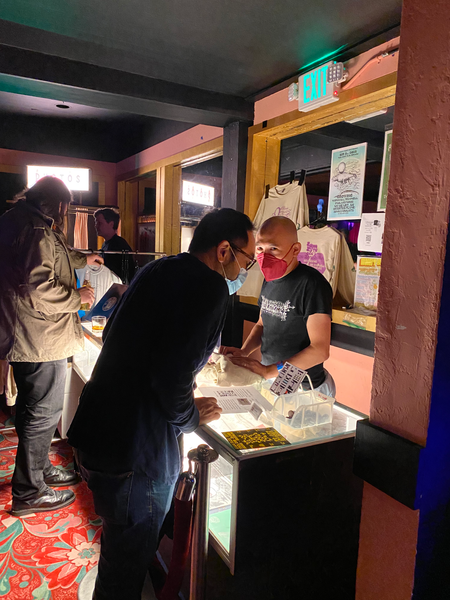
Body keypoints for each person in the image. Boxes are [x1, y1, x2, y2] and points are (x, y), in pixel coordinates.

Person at [67, 207, 255, 600]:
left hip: (98, 429)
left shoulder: (160, 268)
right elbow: (171, 379)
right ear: (224, 251)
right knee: (126, 568)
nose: (247, 269)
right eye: (247, 258)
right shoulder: (210, 288)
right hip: (136, 451)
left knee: (119, 555)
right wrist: (189, 415)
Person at [0, 176, 98, 517]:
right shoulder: (37, 230)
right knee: (42, 414)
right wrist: (78, 297)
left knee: (34, 411)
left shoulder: (19, 220)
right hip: (40, 338)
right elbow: (38, 288)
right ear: (59, 205)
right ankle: (30, 491)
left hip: (26, 334)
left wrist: (85, 260)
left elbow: (56, 254)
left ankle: (38, 472)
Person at [223, 216, 335, 397]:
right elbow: (261, 324)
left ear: (295, 249)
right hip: (274, 382)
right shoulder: (270, 280)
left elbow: (320, 350)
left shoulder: (312, 284)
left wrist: (270, 370)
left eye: (273, 248)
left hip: (306, 389)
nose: (265, 256)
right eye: (260, 248)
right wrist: (244, 352)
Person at [94, 207, 135, 283]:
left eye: (99, 223)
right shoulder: (106, 244)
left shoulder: (119, 245)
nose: (96, 226)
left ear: (111, 224)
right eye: (96, 223)